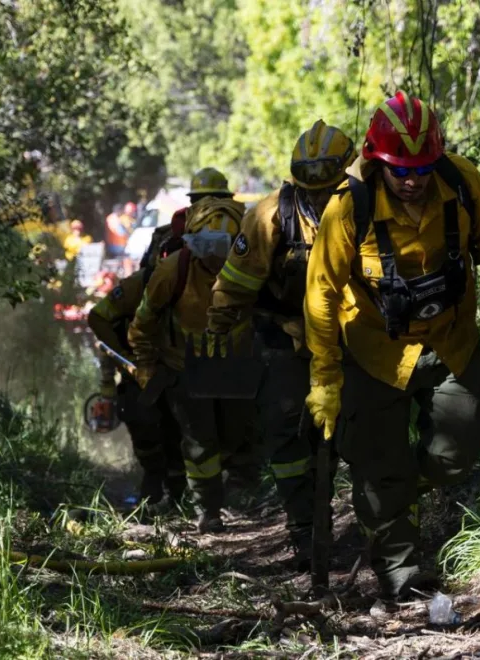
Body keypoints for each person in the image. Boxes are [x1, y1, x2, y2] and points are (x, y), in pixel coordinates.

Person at [303, 92, 480, 600]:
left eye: (423, 168)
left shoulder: (462, 182)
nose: (413, 180)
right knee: (376, 462)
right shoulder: (348, 208)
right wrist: (324, 377)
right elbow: (319, 294)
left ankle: (397, 489)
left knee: (462, 446)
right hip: (374, 353)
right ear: (376, 159)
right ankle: (401, 574)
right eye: (399, 170)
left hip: (451, 341)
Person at [208, 120, 354, 568]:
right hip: (286, 340)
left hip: (352, 338)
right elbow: (235, 279)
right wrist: (220, 319)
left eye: (327, 189)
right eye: (310, 191)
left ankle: (369, 527)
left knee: (359, 433)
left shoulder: (364, 207)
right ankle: (304, 530)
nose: (317, 199)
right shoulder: (270, 215)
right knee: (289, 438)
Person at [128, 167, 258, 533]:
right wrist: (146, 366)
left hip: (235, 362)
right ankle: (208, 511)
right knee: (200, 441)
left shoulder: (252, 262)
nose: (217, 258)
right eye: (209, 248)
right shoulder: (173, 268)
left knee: (235, 435)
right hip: (185, 365)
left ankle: (239, 498)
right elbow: (143, 320)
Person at [87, 230, 186, 506]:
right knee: (143, 422)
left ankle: (184, 493)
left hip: (185, 371)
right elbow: (100, 319)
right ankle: (155, 484)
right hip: (142, 374)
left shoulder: (201, 278)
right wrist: (125, 358)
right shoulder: (138, 284)